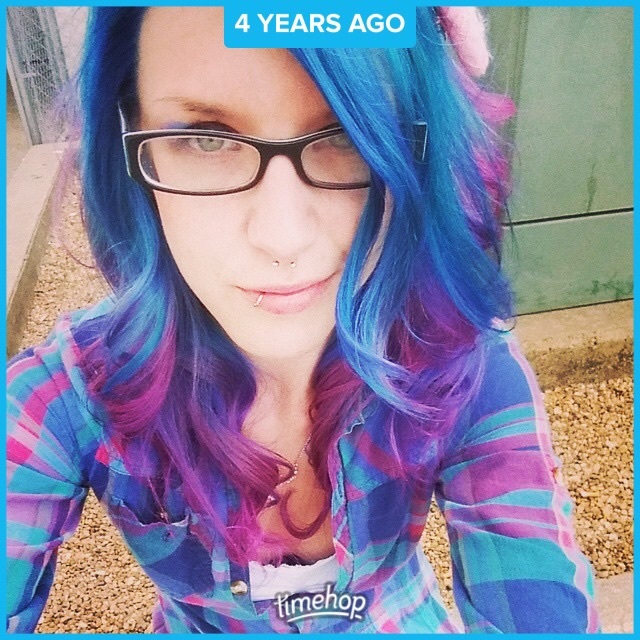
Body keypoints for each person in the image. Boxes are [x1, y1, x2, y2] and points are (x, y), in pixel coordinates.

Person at [7, 6, 601, 634]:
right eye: (207, 139)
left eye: (345, 135)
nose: (282, 237)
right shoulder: (67, 395)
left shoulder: (460, 357)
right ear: (127, 139)